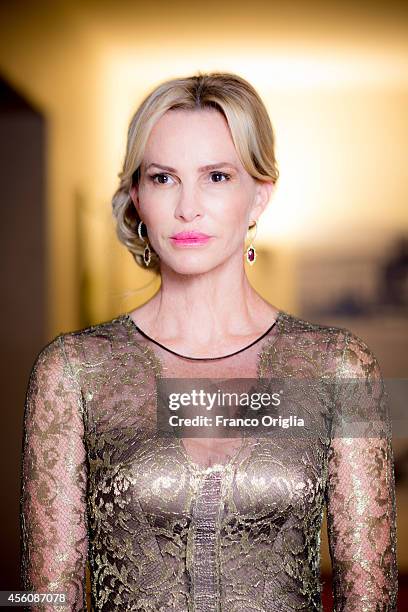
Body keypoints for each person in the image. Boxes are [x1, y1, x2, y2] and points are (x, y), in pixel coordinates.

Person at [20, 72, 398, 611]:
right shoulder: (74, 371)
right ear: (137, 197)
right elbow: (43, 599)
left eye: (217, 176)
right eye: (163, 178)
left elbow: (371, 598)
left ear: (259, 196)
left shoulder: (339, 367)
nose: (187, 208)